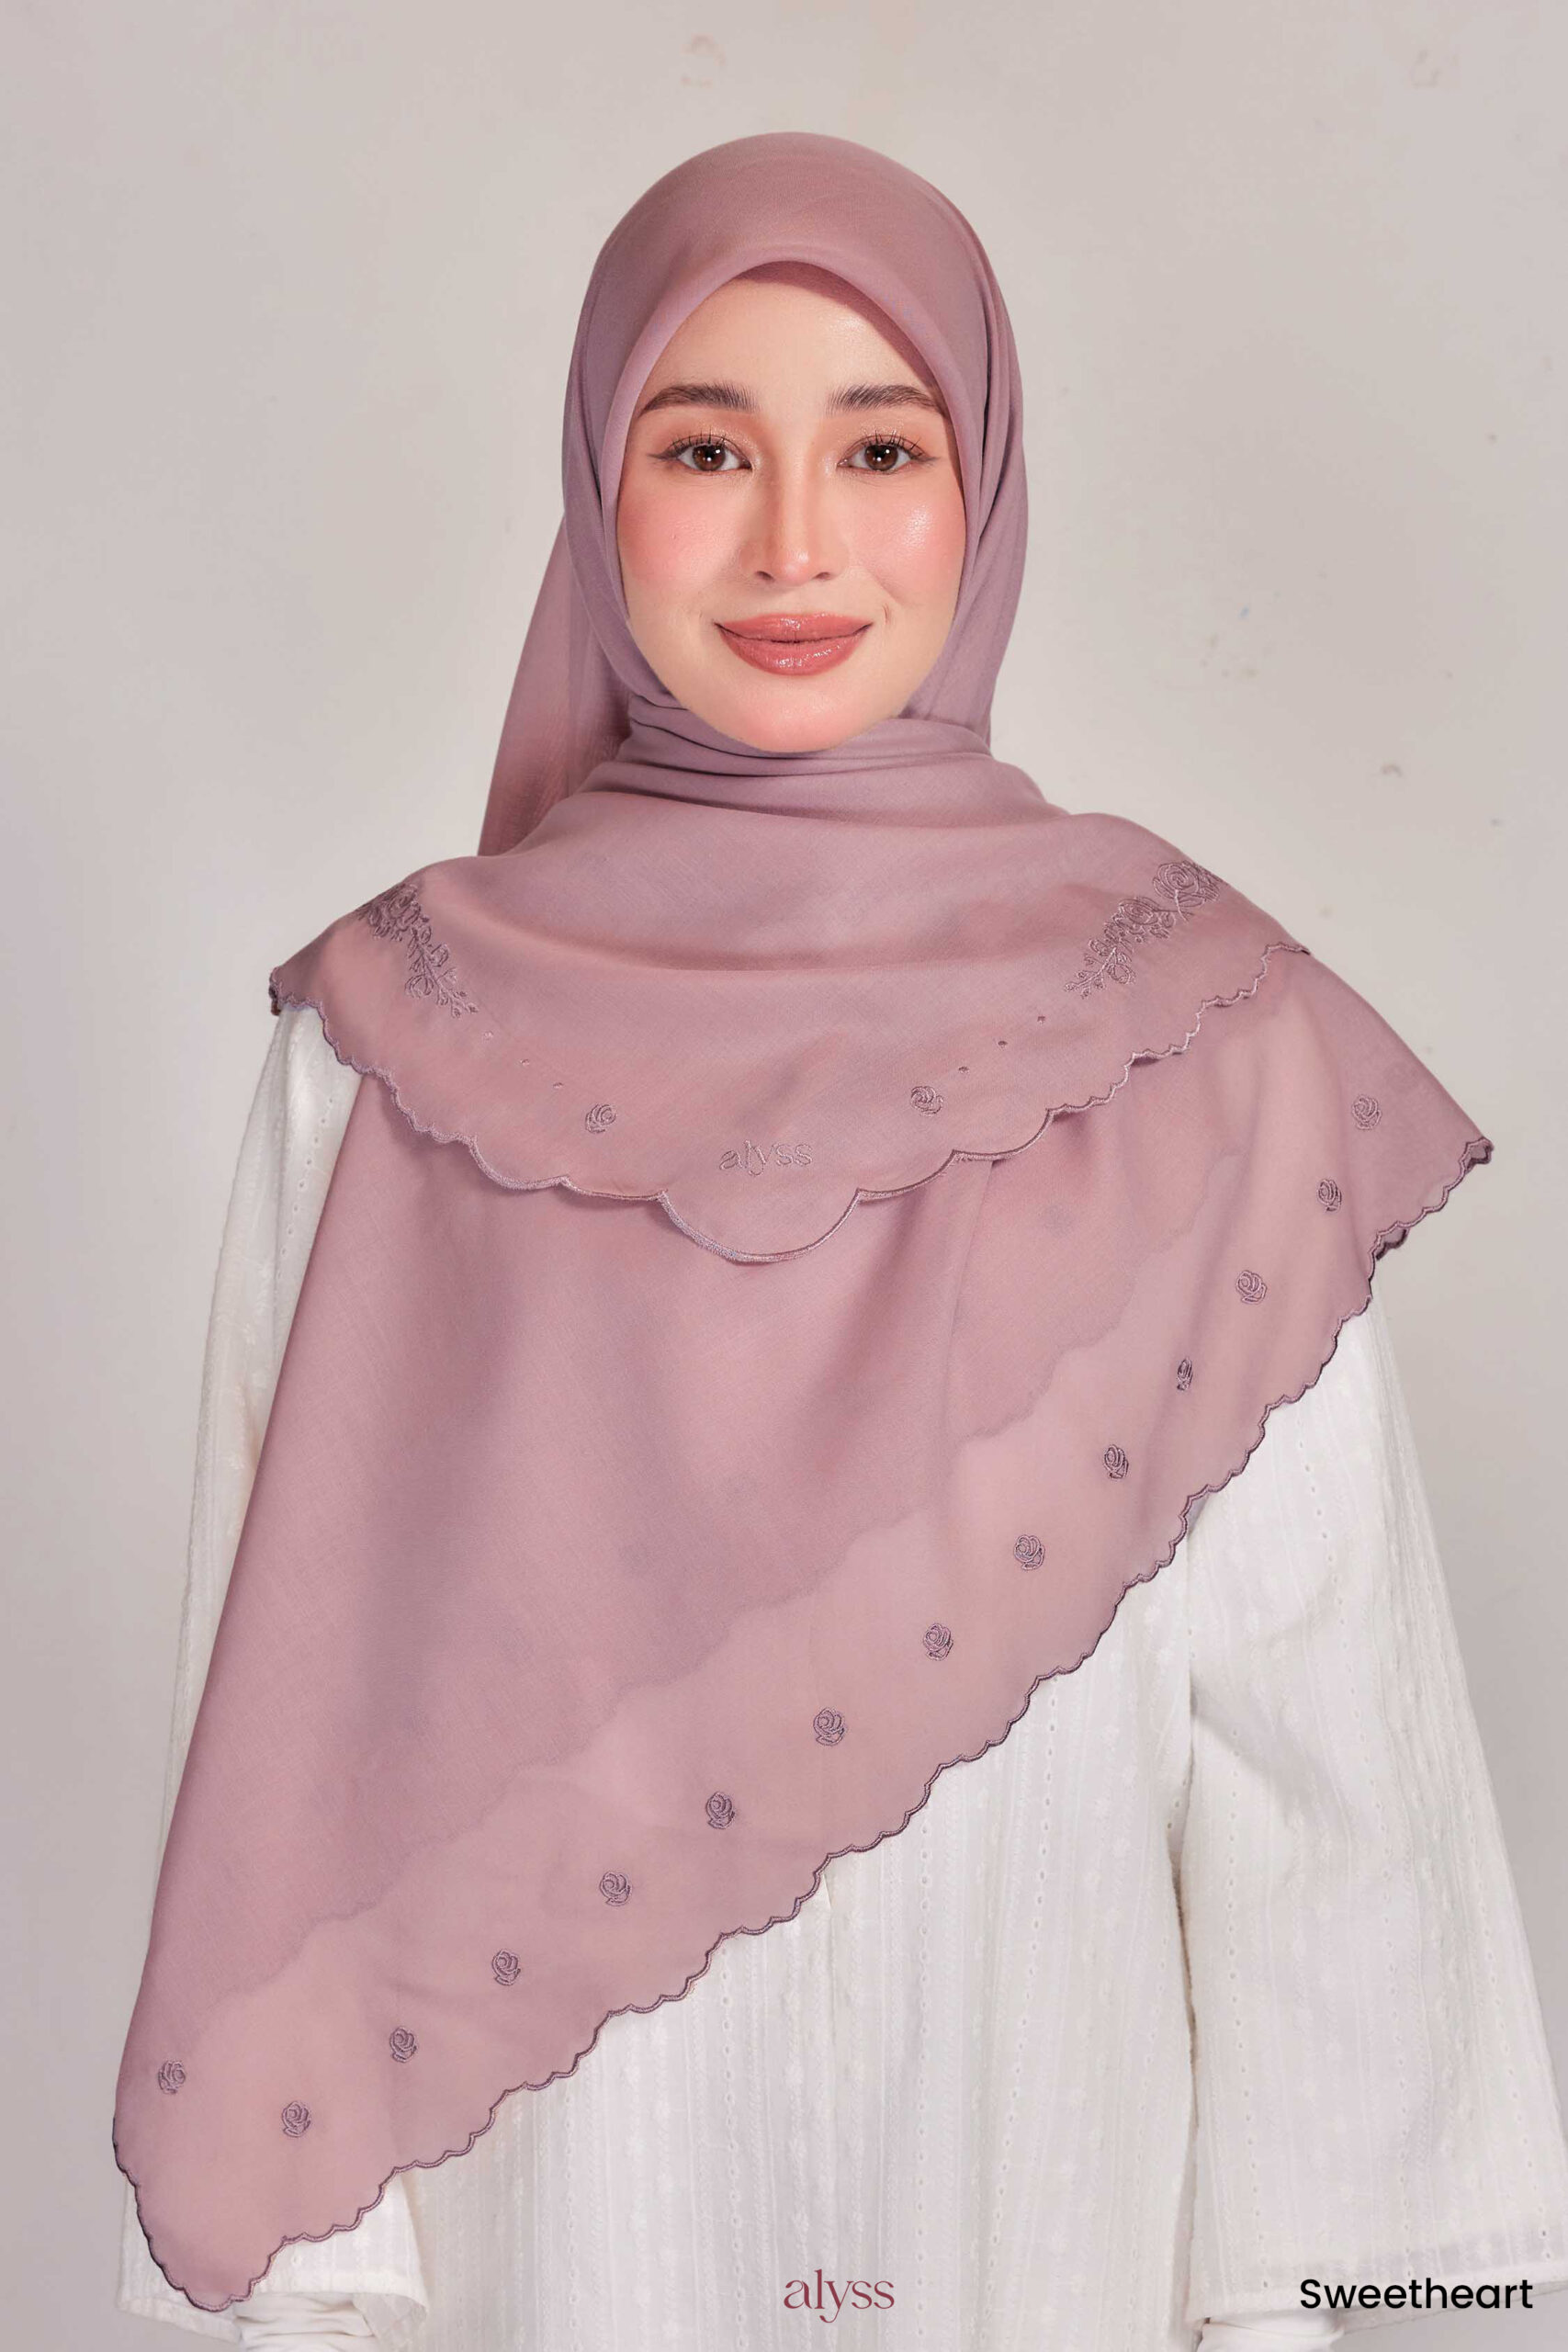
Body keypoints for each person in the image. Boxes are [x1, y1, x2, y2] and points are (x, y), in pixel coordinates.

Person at [114, 132, 1568, 2352]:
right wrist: (314, 2308)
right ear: (594, 484)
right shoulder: (392, 1048)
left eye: (879, 447)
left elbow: (1322, 1774)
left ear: (979, 487)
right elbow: (282, 1755)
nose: (793, 540)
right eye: (704, 445)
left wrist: (1328, 2308)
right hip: (550, 2269)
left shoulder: (1196, 1044)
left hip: (1052, 2240)